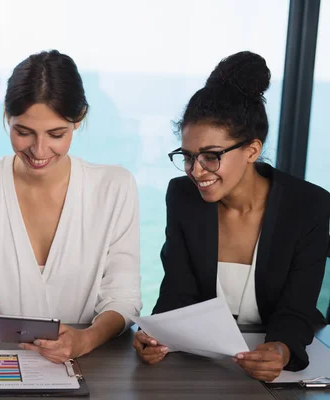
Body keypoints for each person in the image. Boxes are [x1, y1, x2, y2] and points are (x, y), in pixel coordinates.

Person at [133, 51, 330, 381]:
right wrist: (156, 337)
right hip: (204, 364)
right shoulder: (183, 197)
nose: (196, 171)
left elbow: (298, 309)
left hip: (276, 367)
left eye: (211, 157)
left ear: (252, 150)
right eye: (188, 156)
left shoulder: (308, 205)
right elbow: (177, 293)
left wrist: (280, 349)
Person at [0, 50, 142, 363]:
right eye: (23, 132)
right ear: (7, 115)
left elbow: (124, 299)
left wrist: (85, 340)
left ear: (79, 119)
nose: (39, 150)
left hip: (88, 367)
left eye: (56, 134)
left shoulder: (115, 187)